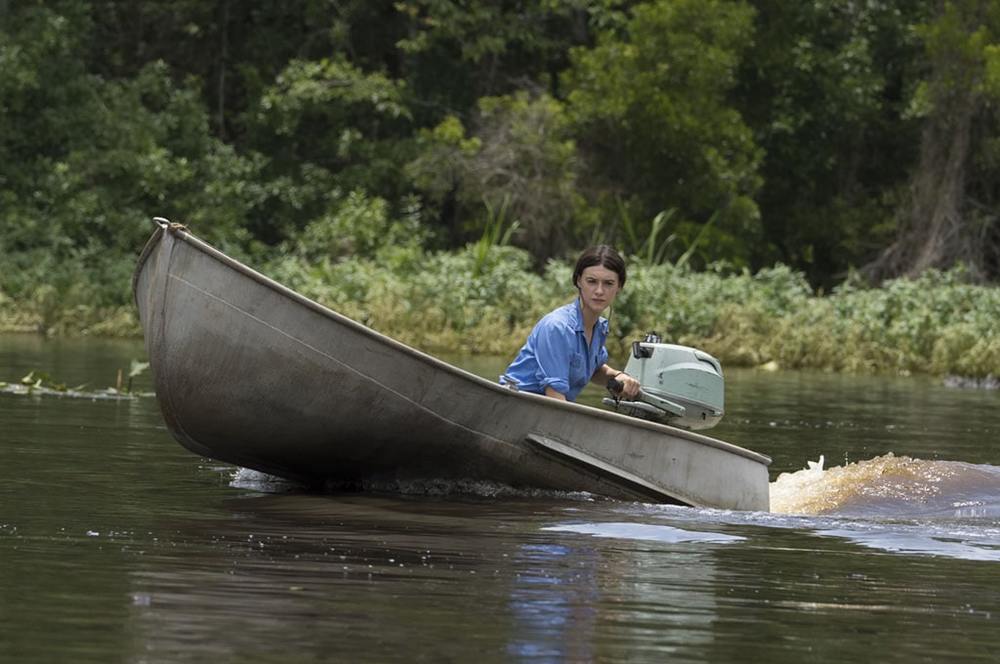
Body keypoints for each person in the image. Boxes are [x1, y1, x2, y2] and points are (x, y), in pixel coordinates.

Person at [500, 245, 641, 402]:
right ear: (578, 281)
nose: (599, 291)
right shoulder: (557, 327)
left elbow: (593, 369)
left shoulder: (599, 328)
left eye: (608, 283)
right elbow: (555, 397)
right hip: (515, 405)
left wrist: (617, 376)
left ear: (619, 287)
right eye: (592, 281)